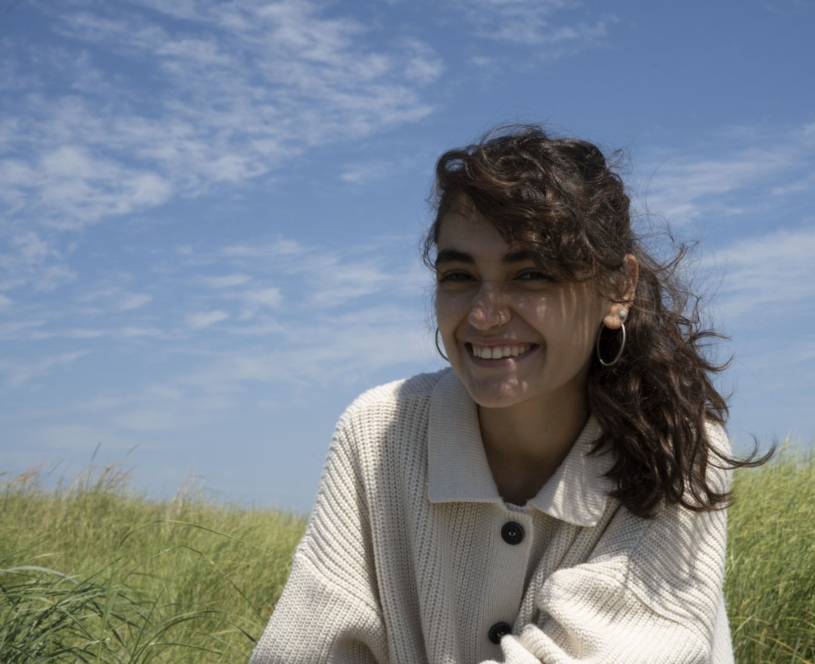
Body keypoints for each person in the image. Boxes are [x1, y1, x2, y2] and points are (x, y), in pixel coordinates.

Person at [250, 125, 765, 663]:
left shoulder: (678, 449)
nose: (483, 314)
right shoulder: (378, 433)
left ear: (618, 289)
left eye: (532, 274)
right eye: (458, 275)